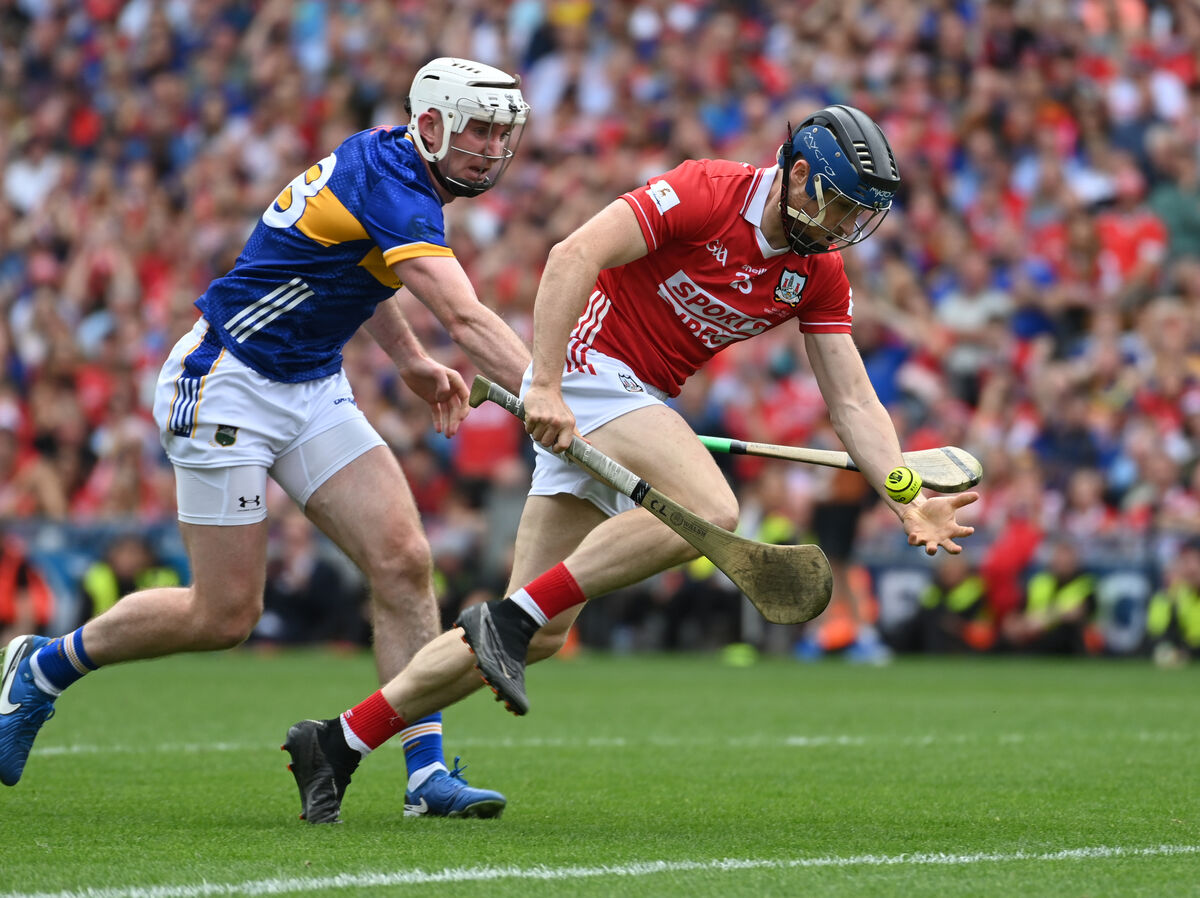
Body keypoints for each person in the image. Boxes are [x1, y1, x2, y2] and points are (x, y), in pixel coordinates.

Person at [280, 104, 979, 822]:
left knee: (543, 630)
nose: (841, 230)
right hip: (590, 372)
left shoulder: (819, 272)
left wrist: (900, 491)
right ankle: (509, 623)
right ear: (798, 174)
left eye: (857, 217)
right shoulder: (706, 191)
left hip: (636, 401)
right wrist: (543, 384)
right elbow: (572, 256)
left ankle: (336, 741)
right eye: (837, 207)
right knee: (710, 510)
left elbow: (854, 401)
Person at [0, 58, 534, 823]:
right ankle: (42, 668)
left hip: (311, 385)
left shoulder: (397, 171)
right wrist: (549, 394)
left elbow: (363, 270)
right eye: (478, 129)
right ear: (431, 124)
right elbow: (468, 318)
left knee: (404, 561)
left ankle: (424, 777)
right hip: (227, 380)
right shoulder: (394, 180)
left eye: (500, 133)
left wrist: (411, 361)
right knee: (223, 616)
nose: (491, 148)